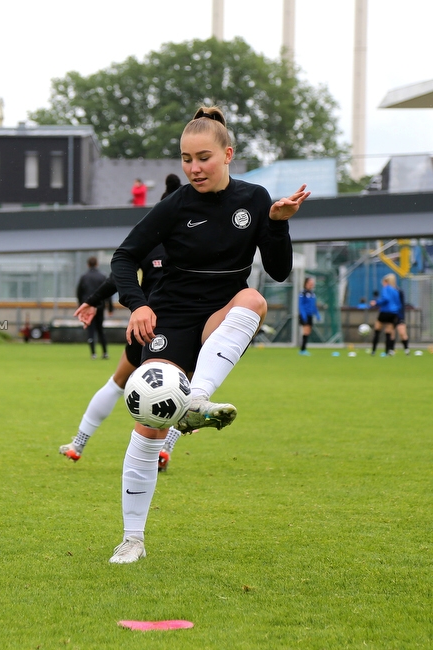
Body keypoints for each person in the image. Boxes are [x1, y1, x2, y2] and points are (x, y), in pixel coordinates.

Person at [105, 106, 309, 565]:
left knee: (253, 299)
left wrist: (277, 223)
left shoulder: (255, 199)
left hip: (220, 314)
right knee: (148, 426)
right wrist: (138, 305)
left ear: (228, 154)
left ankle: (194, 402)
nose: (193, 168)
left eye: (203, 158)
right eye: (185, 159)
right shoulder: (175, 206)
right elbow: (123, 257)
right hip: (172, 319)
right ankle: (132, 539)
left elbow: (277, 272)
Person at [64, 245, 182, 470]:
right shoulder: (196, 241)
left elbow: (119, 276)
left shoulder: (151, 244)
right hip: (183, 329)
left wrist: (93, 300)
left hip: (147, 325)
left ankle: (78, 444)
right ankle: (165, 448)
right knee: (186, 389)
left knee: (117, 383)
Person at [76, 256, 110, 360]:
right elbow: (108, 291)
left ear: (88, 265)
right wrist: (110, 308)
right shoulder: (102, 276)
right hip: (99, 306)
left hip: (88, 307)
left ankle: (93, 353)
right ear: (97, 264)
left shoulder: (84, 277)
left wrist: (81, 306)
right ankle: (104, 352)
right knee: (100, 329)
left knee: (90, 330)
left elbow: (79, 292)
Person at [369, 274, 402, 356]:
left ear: (386, 282)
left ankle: (373, 350)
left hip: (385, 311)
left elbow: (385, 299)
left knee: (377, 330)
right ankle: (387, 352)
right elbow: (399, 304)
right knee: (388, 332)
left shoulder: (386, 288)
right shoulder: (396, 291)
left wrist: (376, 302)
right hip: (393, 313)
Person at [297, 277, 320, 355]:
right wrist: (303, 315)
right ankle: (302, 349)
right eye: (310, 283)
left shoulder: (312, 294)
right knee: (306, 331)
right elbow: (301, 305)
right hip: (305, 315)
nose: (312, 285)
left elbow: (314, 305)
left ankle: (303, 349)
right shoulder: (302, 293)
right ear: (306, 283)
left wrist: (317, 314)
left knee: (308, 332)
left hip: (310, 315)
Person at [392, 284, 410, 355]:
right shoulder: (387, 291)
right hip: (391, 315)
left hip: (399, 315)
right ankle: (391, 350)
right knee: (391, 333)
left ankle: (406, 350)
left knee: (402, 333)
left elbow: (401, 305)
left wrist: (401, 316)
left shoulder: (399, 291)